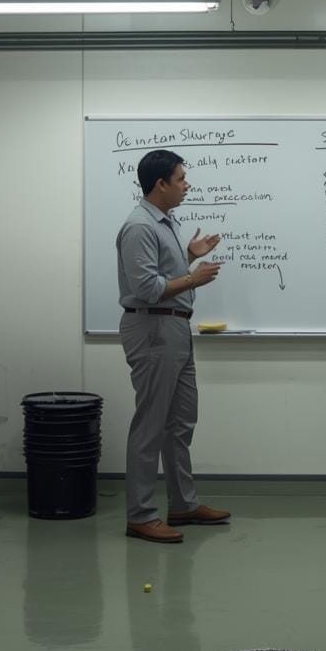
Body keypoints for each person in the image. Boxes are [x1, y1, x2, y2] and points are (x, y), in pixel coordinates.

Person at [115, 149, 232, 544]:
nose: (187, 185)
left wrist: (187, 257)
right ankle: (140, 516)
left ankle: (183, 504)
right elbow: (147, 288)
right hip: (153, 329)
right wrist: (193, 278)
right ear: (160, 184)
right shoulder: (139, 226)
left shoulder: (164, 223)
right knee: (151, 424)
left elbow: (160, 271)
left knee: (180, 423)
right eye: (181, 178)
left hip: (174, 328)